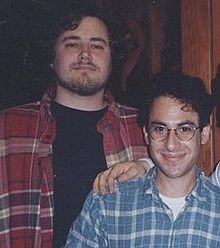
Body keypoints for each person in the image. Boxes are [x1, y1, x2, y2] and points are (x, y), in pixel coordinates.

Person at [0, 4, 148, 248]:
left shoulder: (146, 130)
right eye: (72, 43)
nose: (85, 54)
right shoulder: (7, 129)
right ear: (52, 57)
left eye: (97, 45)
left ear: (113, 58)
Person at [66, 72, 220, 247]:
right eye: (160, 129)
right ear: (146, 134)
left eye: (184, 129)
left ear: (204, 133)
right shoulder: (107, 204)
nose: (171, 144)